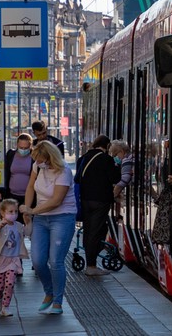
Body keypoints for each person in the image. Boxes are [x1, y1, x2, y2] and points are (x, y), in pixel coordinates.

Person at [21, 140, 77, 315]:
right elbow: (30, 186)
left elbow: (56, 201)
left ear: (50, 157)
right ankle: (49, 291)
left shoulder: (64, 171)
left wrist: (32, 210)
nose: (37, 163)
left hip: (62, 217)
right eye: (36, 160)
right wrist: (27, 207)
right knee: (37, 261)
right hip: (41, 219)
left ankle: (58, 302)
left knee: (55, 261)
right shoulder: (37, 166)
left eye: (40, 159)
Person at [75, 135, 120, 277]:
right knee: (96, 231)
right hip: (100, 200)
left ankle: (90, 262)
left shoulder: (83, 158)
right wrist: (117, 164)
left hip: (85, 199)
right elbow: (115, 178)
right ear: (106, 146)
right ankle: (91, 266)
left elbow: (77, 178)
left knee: (89, 230)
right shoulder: (107, 159)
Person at [0, 198, 28, 317]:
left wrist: (29, 222)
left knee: (9, 283)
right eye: (10, 212)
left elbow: (28, 232)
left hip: (13, 259)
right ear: (3, 213)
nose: (13, 214)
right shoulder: (1, 225)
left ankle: (6, 306)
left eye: (15, 212)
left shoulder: (19, 226)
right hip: (0, 259)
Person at [4, 133, 35, 205]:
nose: (23, 150)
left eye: (26, 148)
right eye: (21, 148)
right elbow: (6, 173)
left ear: (30, 146)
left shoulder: (34, 157)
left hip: (28, 196)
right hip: (11, 195)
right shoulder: (11, 154)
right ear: (17, 145)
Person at [110, 139, 135, 214]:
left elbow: (124, 180)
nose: (115, 157)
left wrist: (112, 195)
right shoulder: (130, 157)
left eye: (115, 154)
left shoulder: (126, 159)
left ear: (121, 151)